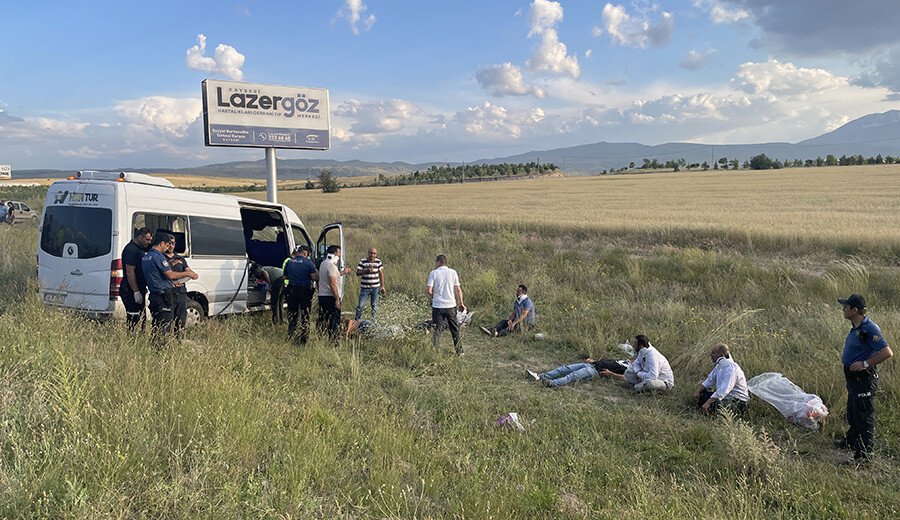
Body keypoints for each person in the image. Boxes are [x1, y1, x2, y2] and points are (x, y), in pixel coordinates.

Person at [835, 294, 893, 464]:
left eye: (846, 307)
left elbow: (887, 353)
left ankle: (864, 457)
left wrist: (865, 363)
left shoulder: (870, 329)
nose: (843, 309)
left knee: (863, 417)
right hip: (854, 379)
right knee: (853, 412)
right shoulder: (857, 327)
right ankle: (852, 441)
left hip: (864, 379)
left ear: (855, 310)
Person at [141, 232, 197, 345]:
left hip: (154, 294)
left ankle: (155, 347)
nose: (168, 248)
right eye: (167, 245)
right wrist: (188, 274)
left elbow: (156, 274)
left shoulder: (147, 256)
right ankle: (161, 349)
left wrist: (169, 268)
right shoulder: (158, 256)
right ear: (162, 243)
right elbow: (170, 275)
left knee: (157, 324)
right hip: (163, 296)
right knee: (164, 326)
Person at [597, 335, 675, 391]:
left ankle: (636, 387)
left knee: (650, 383)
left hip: (662, 381)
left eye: (635, 344)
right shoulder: (642, 352)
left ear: (640, 346)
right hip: (645, 375)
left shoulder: (653, 356)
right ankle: (639, 386)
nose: (633, 346)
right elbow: (636, 364)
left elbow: (653, 376)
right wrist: (638, 372)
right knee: (628, 372)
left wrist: (639, 374)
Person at [693, 343, 749, 415]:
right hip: (725, 398)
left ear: (722, 355)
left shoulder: (732, 369)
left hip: (737, 402)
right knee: (702, 394)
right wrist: (698, 391)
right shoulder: (719, 366)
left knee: (716, 405)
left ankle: (711, 412)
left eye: (713, 353)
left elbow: (724, 390)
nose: (710, 354)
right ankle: (709, 410)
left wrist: (708, 403)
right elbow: (709, 381)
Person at [426, 254, 466, 356]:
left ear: (438, 262)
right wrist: (461, 303)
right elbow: (458, 289)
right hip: (450, 305)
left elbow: (429, 290)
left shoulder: (433, 273)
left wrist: (434, 296)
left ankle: (435, 352)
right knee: (454, 329)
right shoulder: (453, 272)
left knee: (437, 330)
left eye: (436, 262)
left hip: (438, 306)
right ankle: (459, 351)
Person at [120, 227, 153, 332]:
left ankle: (139, 337)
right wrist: (136, 292)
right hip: (130, 290)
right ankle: (132, 338)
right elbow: (130, 272)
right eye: (147, 240)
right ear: (139, 237)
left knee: (141, 318)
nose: (149, 242)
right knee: (133, 317)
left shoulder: (140, 248)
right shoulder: (131, 250)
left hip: (139, 288)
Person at [164, 237, 198, 337]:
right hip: (169, 293)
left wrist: (192, 274)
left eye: (173, 243)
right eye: (169, 243)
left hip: (181, 293)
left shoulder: (180, 258)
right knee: (168, 321)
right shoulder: (162, 258)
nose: (171, 246)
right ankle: (168, 340)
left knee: (181, 320)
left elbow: (189, 271)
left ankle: (179, 340)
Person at [283, 245, 318, 344]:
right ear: (305, 253)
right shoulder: (308, 263)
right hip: (304, 290)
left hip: (292, 290)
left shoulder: (289, 262)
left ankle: (291, 334)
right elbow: (314, 277)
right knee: (305, 314)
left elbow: (284, 276)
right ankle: (303, 337)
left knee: (292, 314)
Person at [316, 245, 351, 340]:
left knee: (323, 319)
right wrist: (337, 299)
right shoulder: (331, 265)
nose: (340, 255)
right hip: (330, 297)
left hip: (322, 296)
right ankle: (334, 341)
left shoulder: (324, 263)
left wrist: (343, 272)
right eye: (339, 253)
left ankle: (321, 338)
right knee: (334, 320)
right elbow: (332, 284)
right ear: (335, 254)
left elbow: (333, 276)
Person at [527, 358, 630, 388]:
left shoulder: (629, 369)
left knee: (572, 376)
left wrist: (610, 374)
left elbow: (625, 378)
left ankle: (551, 383)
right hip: (591, 365)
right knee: (564, 368)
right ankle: (539, 376)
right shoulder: (623, 361)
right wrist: (594, 361)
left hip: (594, 371)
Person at [355, 247, 385, 321]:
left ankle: (373, 323)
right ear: (368, 253)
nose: (372, 255)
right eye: (371, 253)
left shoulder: (378, 262)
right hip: (365, 287)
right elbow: (357, 273)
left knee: (374, 306)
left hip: (375, 288)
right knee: (360, 306)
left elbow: (381, 273)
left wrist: (382, 286)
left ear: (376, 254)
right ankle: (357, 321)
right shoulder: (363, 261)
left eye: (374, 253)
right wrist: (366, 271)